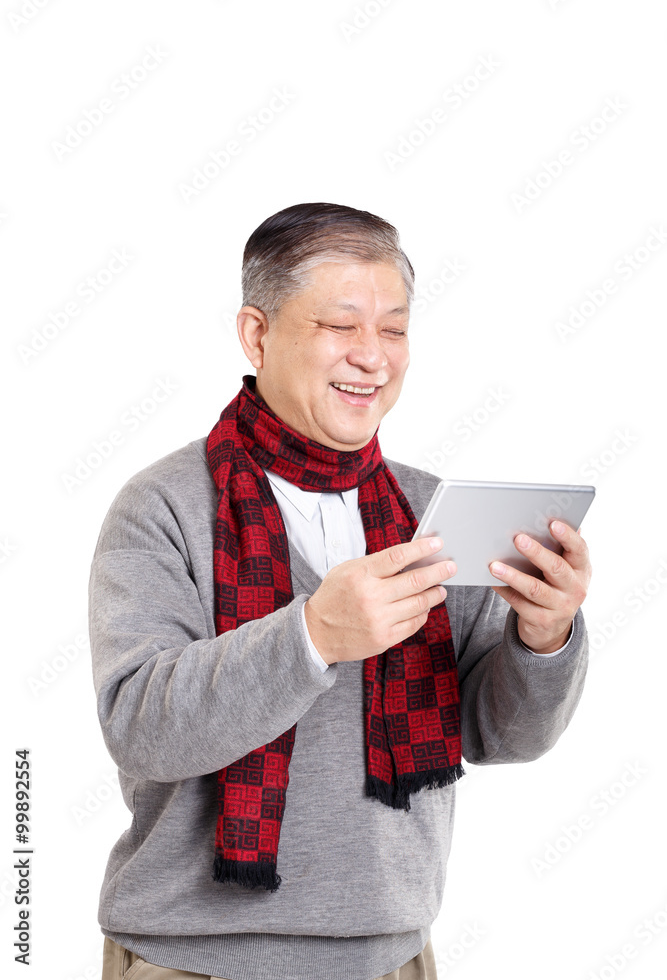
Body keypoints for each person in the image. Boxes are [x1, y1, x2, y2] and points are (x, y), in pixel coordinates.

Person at [89, 202, 591, 980]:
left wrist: (544, 636)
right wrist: (313, 636)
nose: (373, 357)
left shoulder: (428, 513)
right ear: (257, 336)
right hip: (195, 962)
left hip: (392, 956)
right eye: (339, 326)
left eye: (393, 329)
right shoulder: (163, 504)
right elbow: (140, 728)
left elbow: (502, 736)